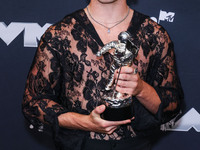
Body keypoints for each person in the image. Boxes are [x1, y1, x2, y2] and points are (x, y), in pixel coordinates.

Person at [22, 0, 183, 150]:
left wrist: (141, 89)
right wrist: (84, 122)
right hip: (78, 145)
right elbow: (33, 103)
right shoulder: (59, 35)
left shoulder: (155, 35)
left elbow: (172, 105)